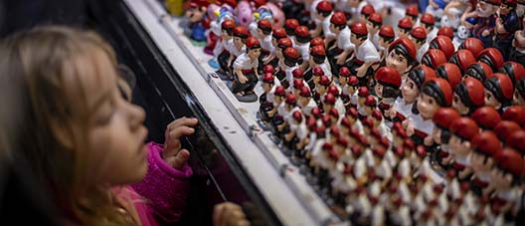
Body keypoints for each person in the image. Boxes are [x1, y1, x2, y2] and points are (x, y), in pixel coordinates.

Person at [0, 26, 249, 226]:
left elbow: (140, 209)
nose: (137, 113)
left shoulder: (100, 191)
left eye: (121, 96)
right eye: (107, 111)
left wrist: (161, 172)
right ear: (60, 149)